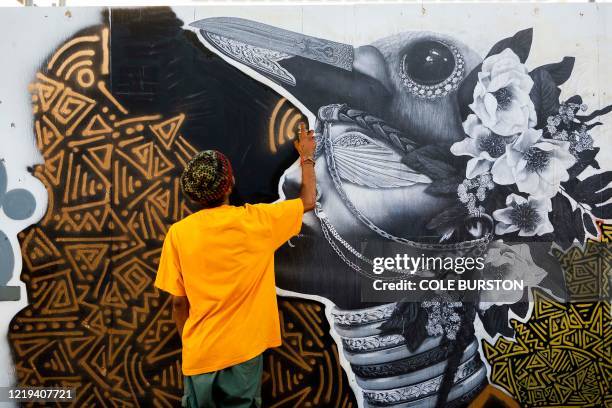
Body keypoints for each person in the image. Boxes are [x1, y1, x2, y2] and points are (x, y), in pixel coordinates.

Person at [154, 123, 316, 407]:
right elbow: (307, 200)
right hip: (242, 355)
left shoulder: (178, 234)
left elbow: (178, 304)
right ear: (230, 184)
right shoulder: (257, 222)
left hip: (199, 355)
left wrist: (190, 343)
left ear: (192, 195)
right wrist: (306, 156)